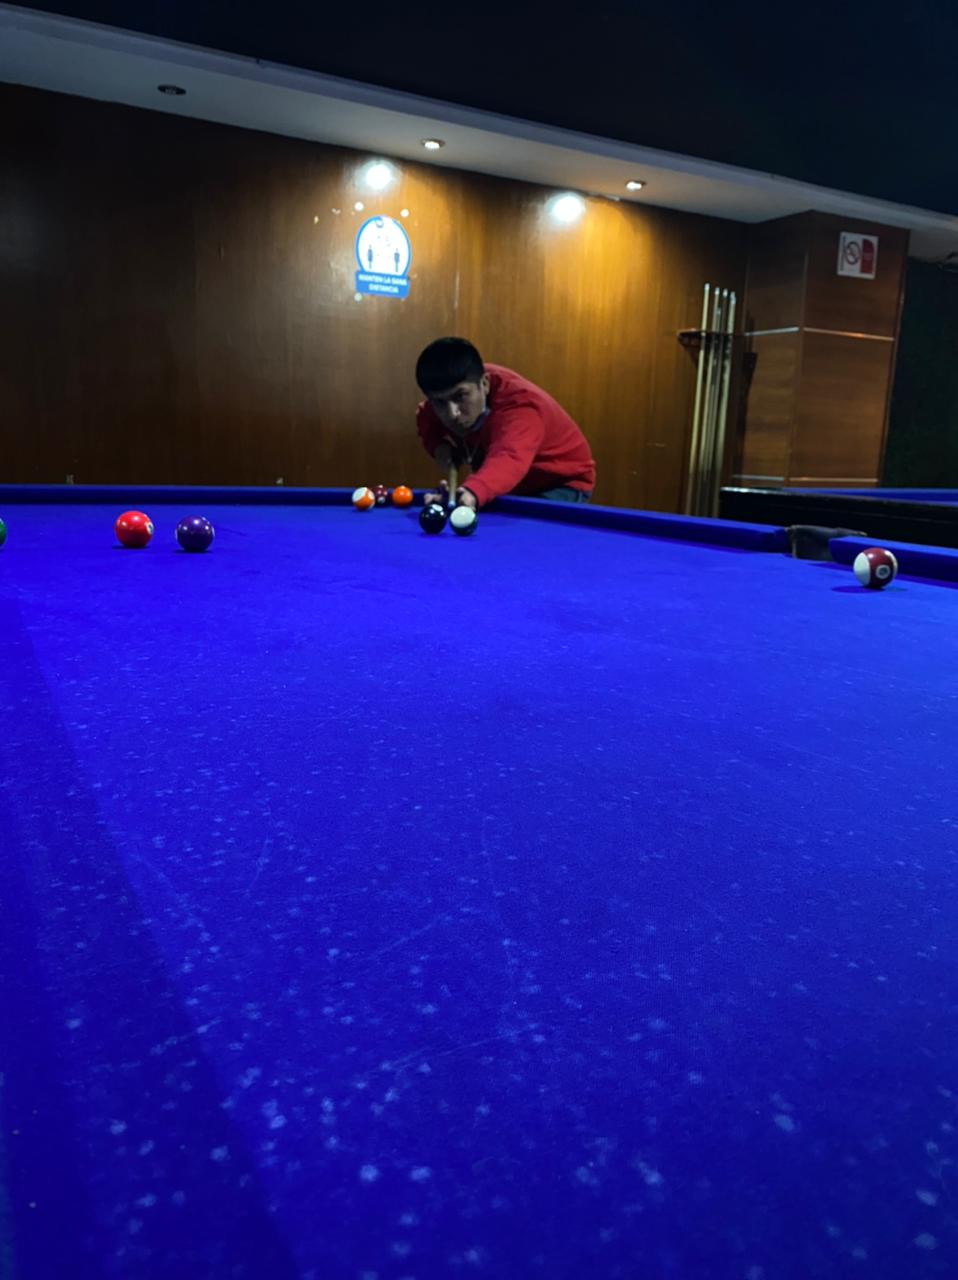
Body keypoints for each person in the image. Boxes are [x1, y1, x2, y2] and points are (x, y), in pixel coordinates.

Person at [415, 338, 595, 510]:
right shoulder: (441, 401)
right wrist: (438, 447)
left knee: (524, 530)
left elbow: (508, 457)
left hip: (559, 482)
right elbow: (425, 419)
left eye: (460, 396)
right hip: (509, 483)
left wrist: (473, 490)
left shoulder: (520, 406)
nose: (452, 413)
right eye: (439, 402)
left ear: (484, 384)